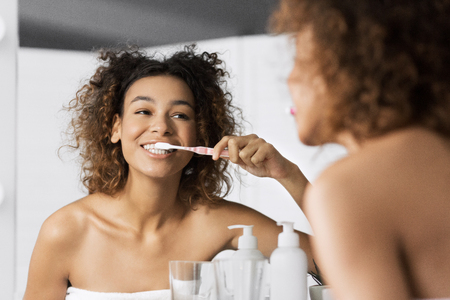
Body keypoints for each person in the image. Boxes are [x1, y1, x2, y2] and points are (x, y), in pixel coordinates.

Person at [22, 45, 313, 300]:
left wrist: (288, 174)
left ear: (200, 134)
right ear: (115, 128)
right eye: (143, 111)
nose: (161, 127)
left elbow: (340, 266)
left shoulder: (219, 222)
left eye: (179, 115)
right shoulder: (65, 231)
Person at [268, 0, 450, 299]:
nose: (290, 78)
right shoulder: (434, 153)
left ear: (352, 67)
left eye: (301, 60)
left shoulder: (345, 189)